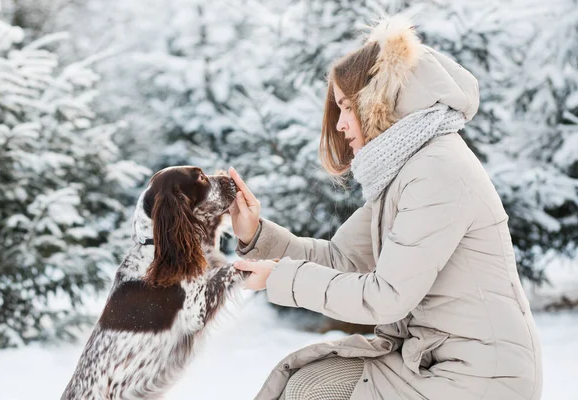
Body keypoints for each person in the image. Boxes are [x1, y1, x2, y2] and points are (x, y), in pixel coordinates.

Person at [228, 14, 542, 400]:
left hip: (480, 377)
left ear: (377, 103)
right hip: (429, 361)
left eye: (346, 107)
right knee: (310, 384)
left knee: (310, 390)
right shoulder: (405, 172)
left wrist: (278, 278)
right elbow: (342, 260)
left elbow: (386, 295)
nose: (341, 125)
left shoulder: (437, 170)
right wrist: (256, 235)